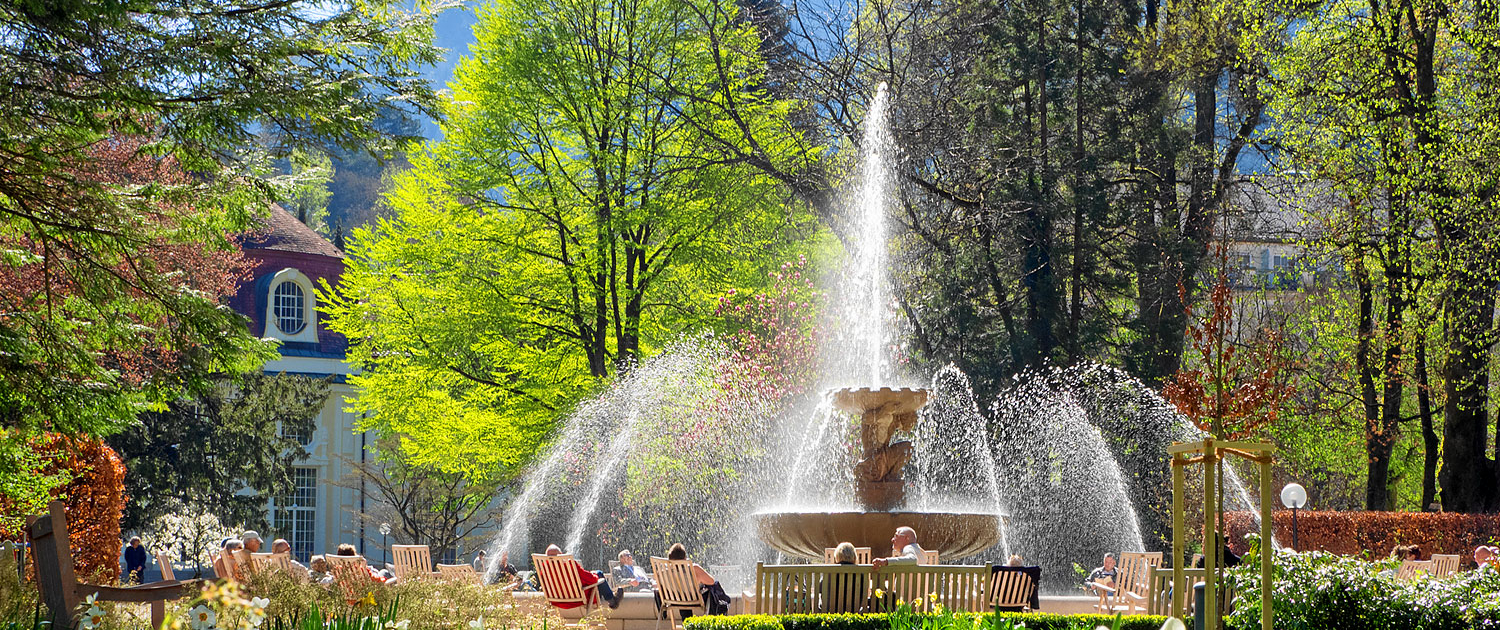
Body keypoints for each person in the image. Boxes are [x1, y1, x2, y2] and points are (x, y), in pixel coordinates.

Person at [543, 544, 622, 609]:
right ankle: (612, 601)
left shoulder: (544, 569)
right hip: (577, 600)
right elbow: (592, 580)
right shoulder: (569, 564)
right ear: (560, 555)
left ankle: (612, 600)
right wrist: (595, 575)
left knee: (596, 575)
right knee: (599, 574)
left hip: (555, 601)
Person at [666, 543, 729, 616]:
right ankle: (715, 614)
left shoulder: (666, 572)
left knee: (684, 595)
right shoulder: (693, 569)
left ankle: (687, 621)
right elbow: (711, 581)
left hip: (676, 599)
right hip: (693, 599)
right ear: (685, 558)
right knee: (714, 585)